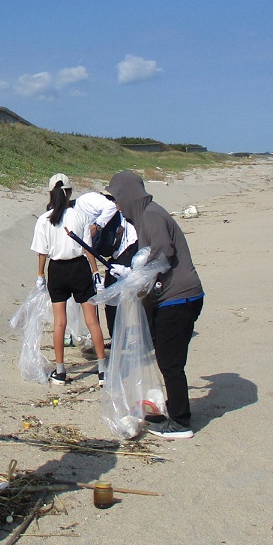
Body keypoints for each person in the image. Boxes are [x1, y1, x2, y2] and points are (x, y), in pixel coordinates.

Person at [105, 170, 204, 439]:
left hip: (179, 297)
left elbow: (163, 253)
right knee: (167, 358)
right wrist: (131, 274)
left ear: (127, 196)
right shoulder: (143, 217)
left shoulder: (151, 215)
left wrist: (137, 275)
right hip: (171, 297)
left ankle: (181, 423)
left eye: (117, 199)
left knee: (171, 363)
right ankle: (175, 409)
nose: (117, 206)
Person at [29, 173, 108, 386]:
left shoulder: (44, 220)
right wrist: (95, 273)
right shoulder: (80, 216)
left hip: (57, 271)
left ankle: (61, 371)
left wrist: (40, 276)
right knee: (92, 320)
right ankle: (102, 370)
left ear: (50, 193)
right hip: (79, 267)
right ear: (70, 193)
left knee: (59, 322)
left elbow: (42, 253)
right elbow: (88, 248)